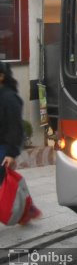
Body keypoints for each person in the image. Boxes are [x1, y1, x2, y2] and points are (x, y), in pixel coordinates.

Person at [0, 61, 42, 225]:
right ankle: (27, 211)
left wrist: (11, 153)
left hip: (4, 148)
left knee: (6, 182)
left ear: (1, 77)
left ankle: (26, 210)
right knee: (7, 182)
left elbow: (15, 128)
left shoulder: (9, 98)